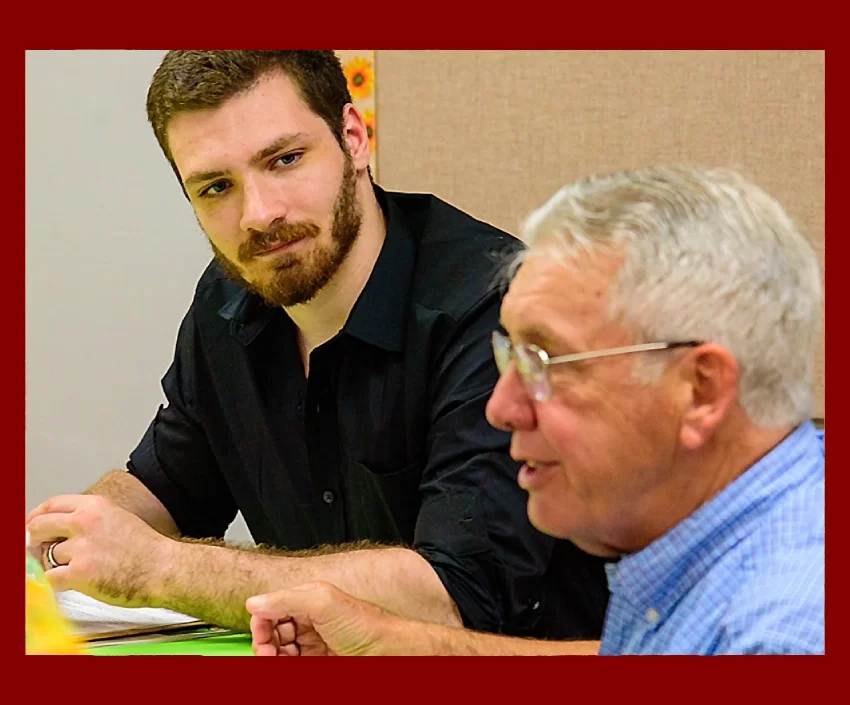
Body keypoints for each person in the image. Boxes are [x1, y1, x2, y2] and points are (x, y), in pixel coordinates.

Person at [25, 50, 609, 639]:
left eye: (284, 159)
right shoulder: (229, 301)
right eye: (216, 187)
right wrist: (66, 537)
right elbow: (169, 485)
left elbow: (456, 595)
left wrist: (159, 568)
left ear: (353, 138)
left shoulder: (494, 304)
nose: (258, 215)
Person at [245, 165, 825, 655]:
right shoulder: (714, 549)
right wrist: (395, 642)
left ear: (700, 391)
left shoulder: (779, 632)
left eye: (551, 361)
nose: (501, 407)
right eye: (510, 354)